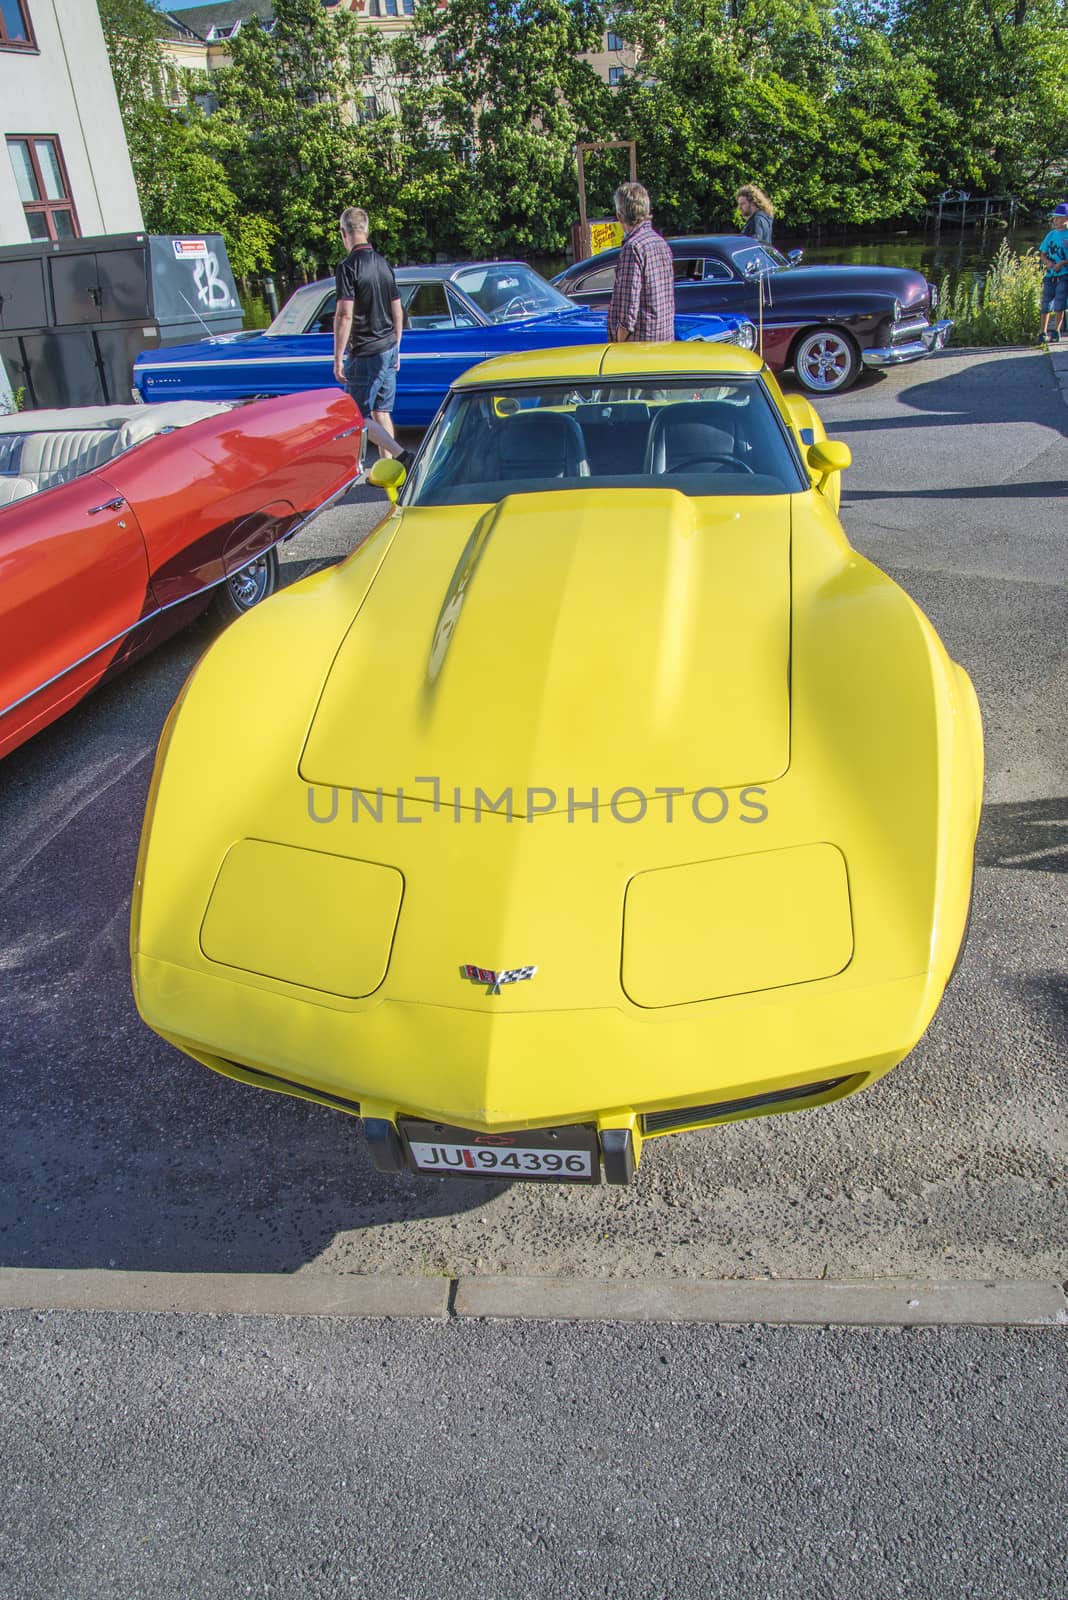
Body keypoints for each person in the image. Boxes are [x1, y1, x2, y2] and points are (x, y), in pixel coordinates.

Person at [332, 206, 410, 467]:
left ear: (344, 233)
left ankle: (401, 455)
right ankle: (389, 468)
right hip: (389, 347)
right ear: (367, 230)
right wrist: (397, 346)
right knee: (382, 411)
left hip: (365, 351)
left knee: (357, 414)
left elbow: (344, 314)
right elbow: (397, 308)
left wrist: (337, 358)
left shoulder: (347, 267)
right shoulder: (383, 263)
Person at [607, 182, 675, 343]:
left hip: (640, 344)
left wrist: (619, 342)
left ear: (619, 216)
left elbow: (628, 307)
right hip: (664, 337)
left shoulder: (633, 247)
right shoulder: (659, 242)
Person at [1038, 202, 1068, 344]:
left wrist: (1062, 264)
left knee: (1060, 303)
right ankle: (1042, 332)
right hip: (1050, 275)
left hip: (1064, 275)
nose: (1055, 221)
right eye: (1054, 218)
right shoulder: (1050, 235)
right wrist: (1047, 262)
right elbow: (1043, 254)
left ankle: (1056, 331)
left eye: (1059, 218)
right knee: (1045, 303)